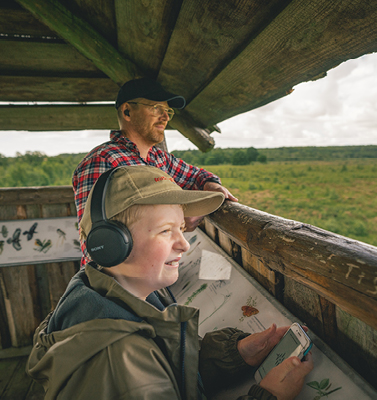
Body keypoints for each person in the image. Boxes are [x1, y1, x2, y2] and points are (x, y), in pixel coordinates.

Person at [27, 165, 313, 400]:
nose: (184, 244)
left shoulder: (108, 295)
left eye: (181, 228)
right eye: (165, 231)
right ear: (111, 243)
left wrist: (235, 354)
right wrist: (270, 396)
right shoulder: (120, 360)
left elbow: (164, 368)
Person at [73, 78, 238, 268]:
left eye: (168, 111)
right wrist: (175, 223)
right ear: (127, 111)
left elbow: (198, 176)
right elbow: (97, 242)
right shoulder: (102, 161)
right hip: (116, 277)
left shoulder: (160, 158)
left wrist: (212, 184)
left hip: (154, 270)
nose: (165, 117)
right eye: (156, 108)